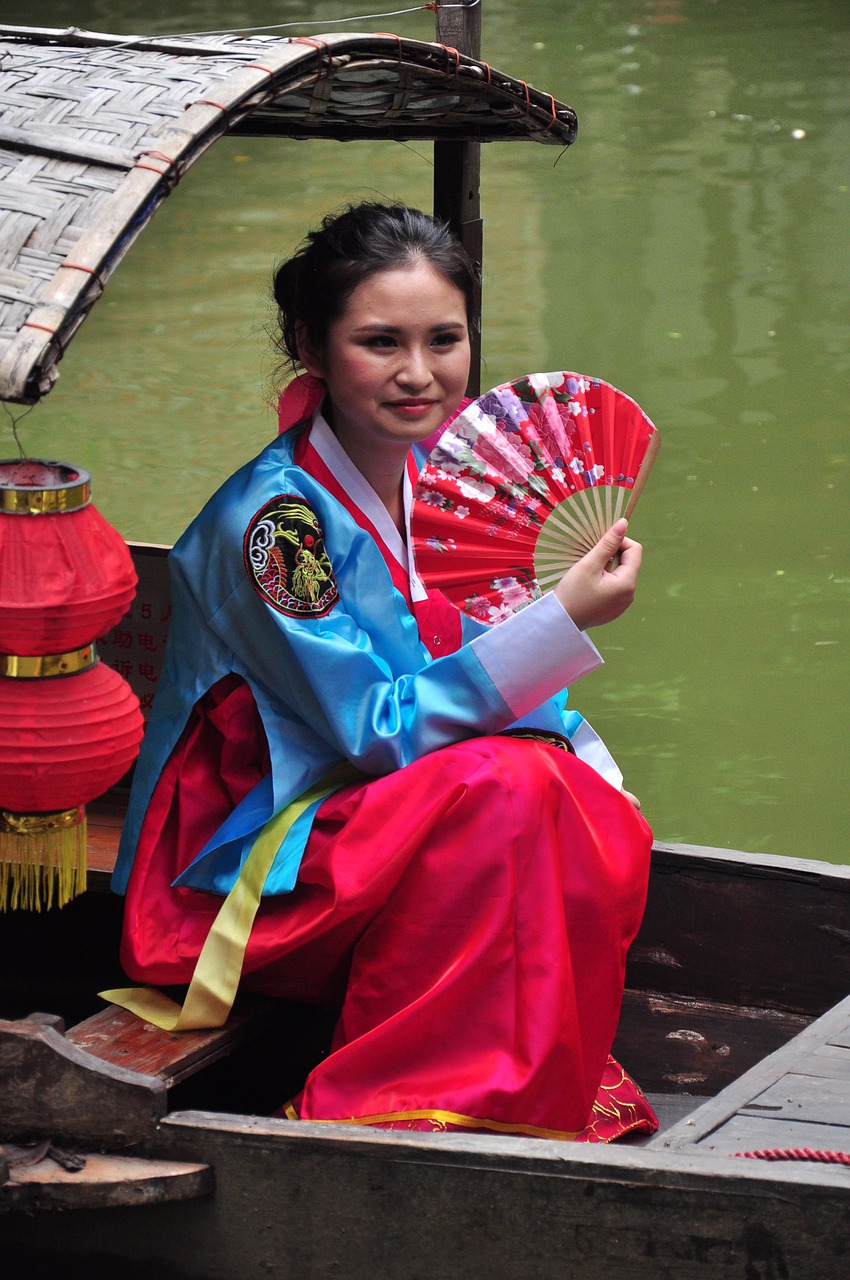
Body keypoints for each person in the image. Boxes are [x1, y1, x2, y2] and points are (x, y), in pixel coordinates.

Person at [112, 202, 657, 1142]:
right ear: (311, 346)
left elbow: (492, 685)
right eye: (380, 342)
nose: (419, 374)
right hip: (259, 837)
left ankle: (520, 1091)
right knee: (511, 788)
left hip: (392, 799)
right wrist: (562, 620)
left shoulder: (454, 483)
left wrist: (586, 760)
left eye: (444, 339)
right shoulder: (276, 526)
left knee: (576, 798)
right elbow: (374, 730)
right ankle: (420, 1106)